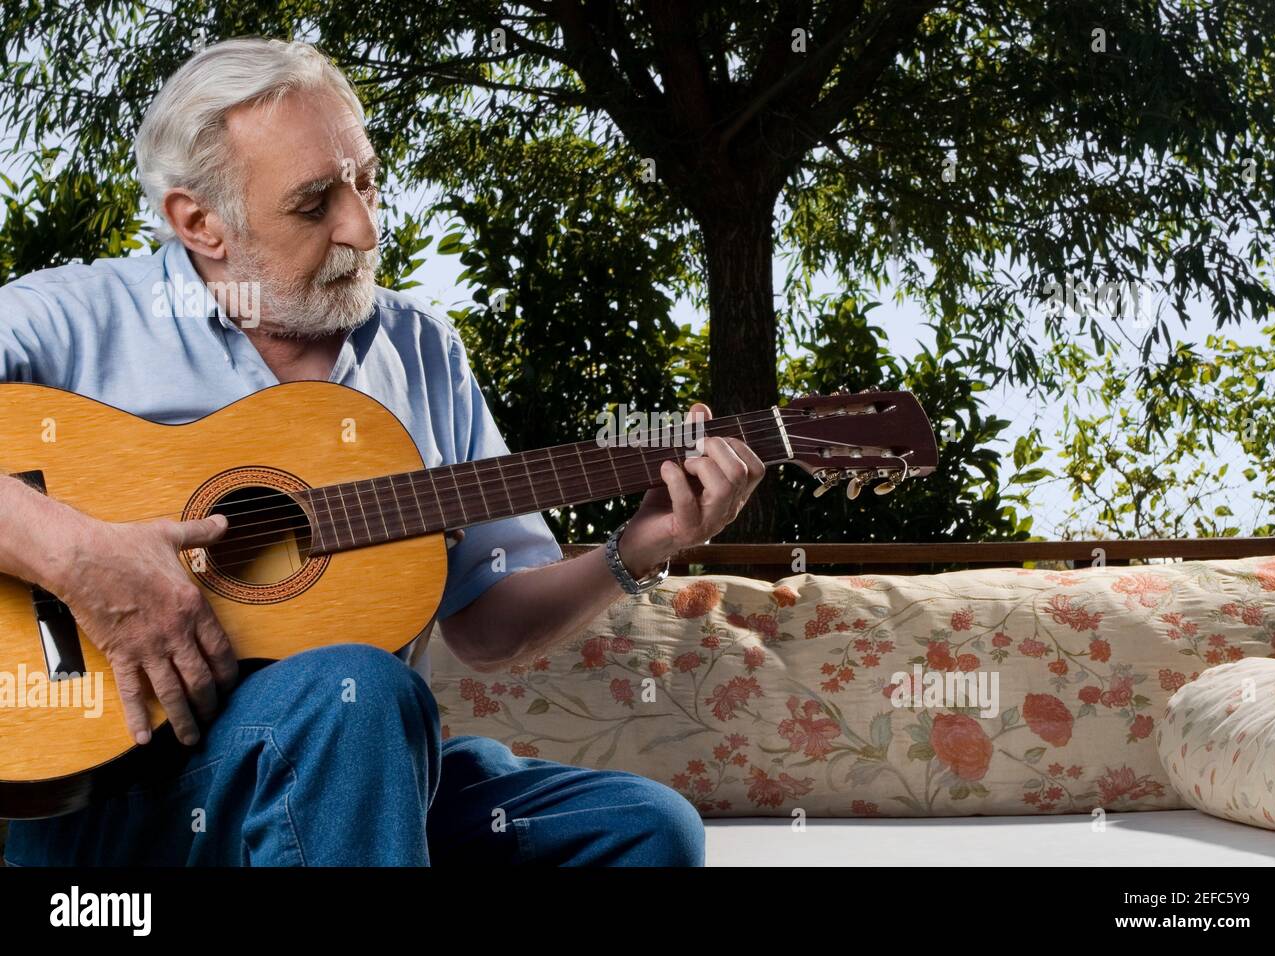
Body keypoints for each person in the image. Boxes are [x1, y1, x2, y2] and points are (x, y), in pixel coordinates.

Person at [0, 37, 764, 866]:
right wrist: (79, 556)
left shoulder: (421, 349)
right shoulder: (72, 320)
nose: (362, 228)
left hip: (361, 778)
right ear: (200, 222)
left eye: (365, 181)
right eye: (313, 202)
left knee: (646, 830)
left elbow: (486, 624)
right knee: (357, 692)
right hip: (126, 791)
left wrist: (640, 547)